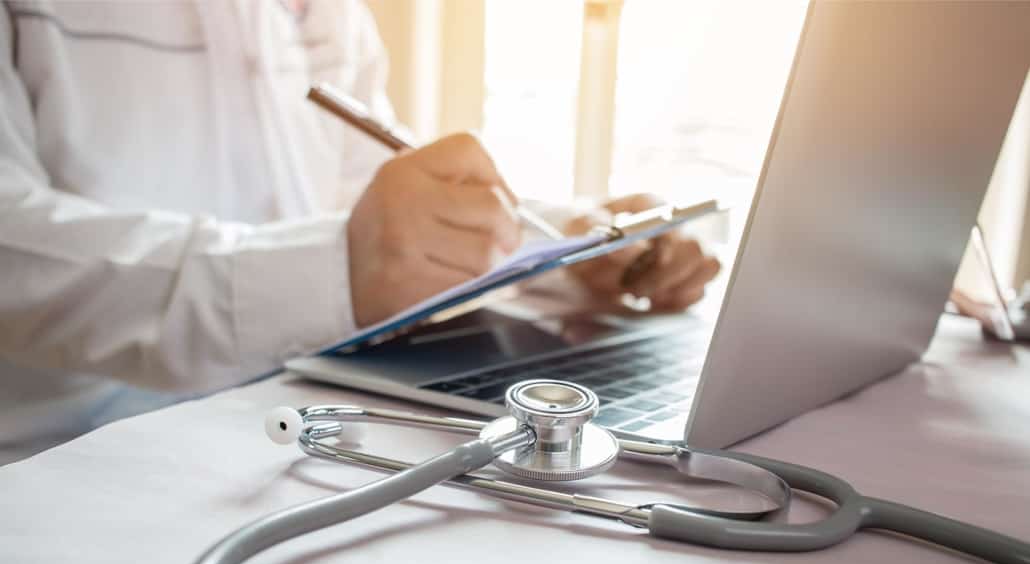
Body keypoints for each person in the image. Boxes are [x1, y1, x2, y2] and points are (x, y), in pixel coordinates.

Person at [0, 0, 720, 464]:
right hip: (67, 463)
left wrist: (579, 247)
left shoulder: (326, 13)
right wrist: (336, 271)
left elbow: (375, 217)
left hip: (299, 426)